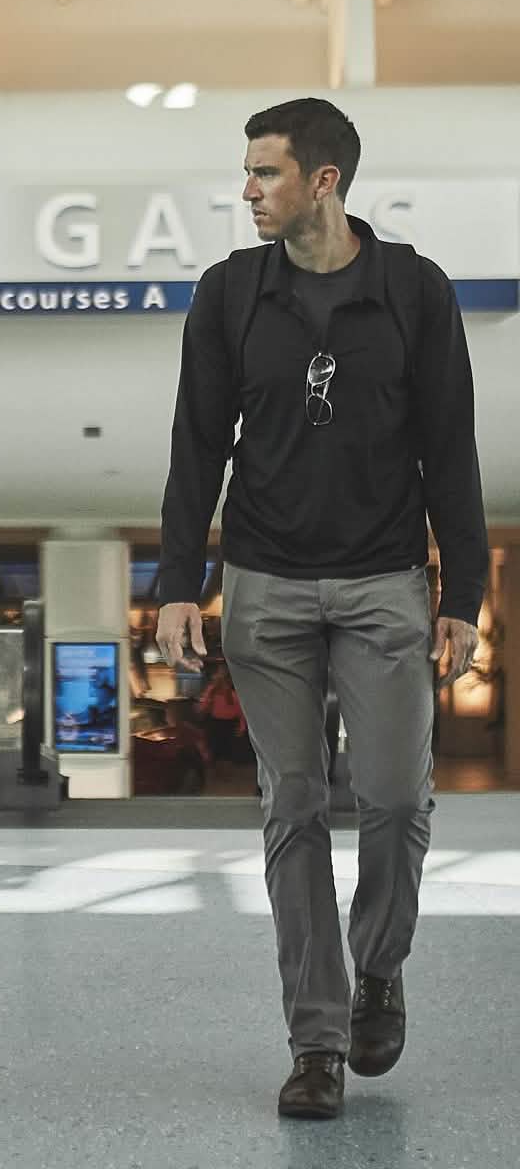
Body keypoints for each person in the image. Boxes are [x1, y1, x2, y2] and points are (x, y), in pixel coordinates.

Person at [155, 99, 487, 1120]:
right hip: (266, 582)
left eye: (265, 172)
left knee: (394, 797)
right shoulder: (227, 295)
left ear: (324, 181)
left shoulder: (415, 292)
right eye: (248, 173)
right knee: (292, 807)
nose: (248, 190)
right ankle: (318, 1039)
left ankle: (379, 966)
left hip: (387, 579)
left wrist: (463, 594)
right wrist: (177, 584)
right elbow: (196, 447)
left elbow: (452, 447)